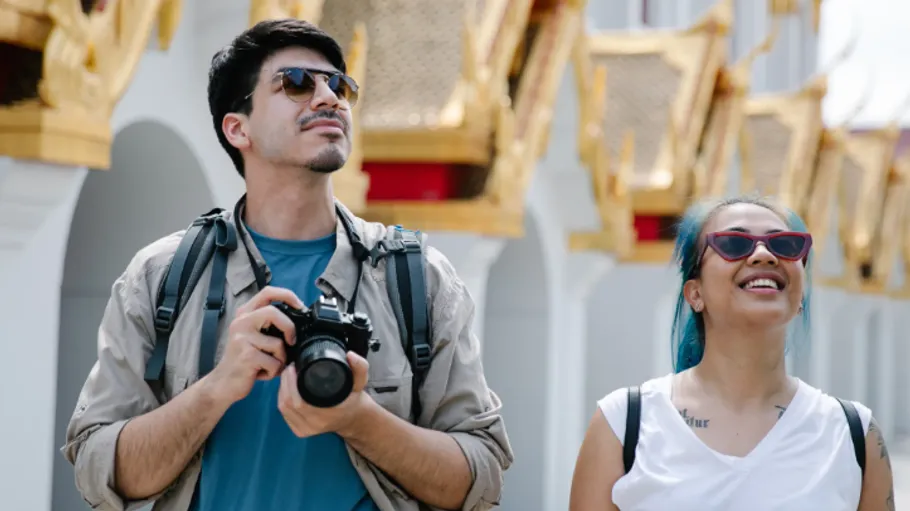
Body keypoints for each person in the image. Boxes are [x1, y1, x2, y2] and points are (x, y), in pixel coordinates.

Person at [62, 19, 513, 511]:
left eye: (339, 85)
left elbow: (482, 477)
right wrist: (217, 387)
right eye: (296, 83)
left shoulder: (417, 280)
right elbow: (96, 471)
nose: (328, 98)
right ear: (238, 128)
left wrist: (357, 418)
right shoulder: (161, 278)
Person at [568, 195, 895, 511]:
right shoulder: (625, 424)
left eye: (786, 244)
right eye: (734, 244)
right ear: (695, 294)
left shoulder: (853, 435)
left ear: (800, 300)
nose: (765, 255)